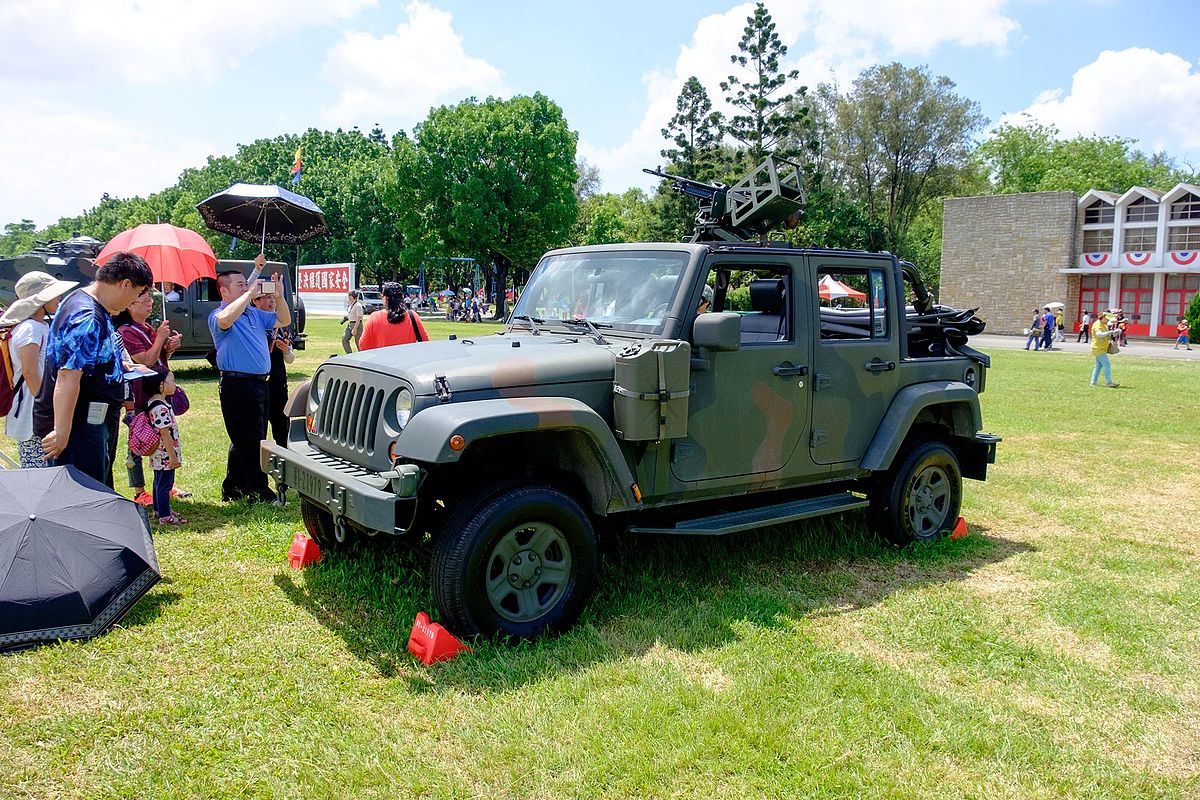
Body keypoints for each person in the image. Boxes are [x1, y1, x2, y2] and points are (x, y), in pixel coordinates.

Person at [34, 251, 153, 486]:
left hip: (94, 422)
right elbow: (68, 376)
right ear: (125, 284)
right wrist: (62, 431)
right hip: (80, 426)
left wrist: (117, 365)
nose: (133, 301)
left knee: (98, 489)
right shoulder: (86, 316)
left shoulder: (92, 306)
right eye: (137, 294)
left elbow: (93, 357)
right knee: (83, 495)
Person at [208, 253, 290, 503]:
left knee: (247, 437)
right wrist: (250, 292)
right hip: (237, 384)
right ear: (224, 291)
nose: (248, 287)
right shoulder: (219, 315)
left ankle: (233, 486)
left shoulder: (253, 314)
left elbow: (284, 319)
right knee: (250, 439)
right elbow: (225, 319)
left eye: (248, 283)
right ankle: (258, 489)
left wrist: (279, 296)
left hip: (258, 384)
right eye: (241, 285)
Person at [115, 288, 187, 505]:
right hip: (139, 396)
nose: (149, 302)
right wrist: (161, 339)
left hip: (157, 394)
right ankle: (140, 491)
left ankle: (164, 483)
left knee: (161, 440)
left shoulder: (147, 328)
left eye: (149, 298)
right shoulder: (126, 331)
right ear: (129, 305)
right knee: (139, 440)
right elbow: (144, 361)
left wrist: (168, 347)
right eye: (143, 299)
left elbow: (158, 358)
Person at [2, 271, 78, 468]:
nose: (59, 297)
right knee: (37, 471)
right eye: (54, 294)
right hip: (32, 411)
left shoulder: (39, 326)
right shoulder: (31, 328)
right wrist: (46, 406)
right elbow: (29, 371)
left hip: (36, 409)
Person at [140, 369, 185, 525]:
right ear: (161, 386)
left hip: (159, 453)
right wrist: (172, 456)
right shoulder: (160, 408)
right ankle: (165, 517)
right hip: (165, 453)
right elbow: (165, 434)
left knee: (159, 482)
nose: (174, 384)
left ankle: (160, 510)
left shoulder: (155, 404)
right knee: (165, 484)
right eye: (171, 381)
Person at [252, 291, 294, 448]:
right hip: (257, 383)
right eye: (267, 297)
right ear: (255, 301)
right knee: (257, 431)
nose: (272, 301)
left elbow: (290, 359)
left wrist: (285, 350)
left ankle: (284, 463)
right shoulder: (252, 323)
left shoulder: (282, 324)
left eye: (273, 297)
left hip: (278, 383)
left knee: (282, 428)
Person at [358, 281, 429, 351]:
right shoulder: (412, 316)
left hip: (381, 360)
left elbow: (363, 346)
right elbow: (425, 342)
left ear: (385, 298)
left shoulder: (374, 318)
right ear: (402, 297)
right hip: (408, 360)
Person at [1090, 312, 1120, 388]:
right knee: (1106, 364)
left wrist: (1114, 333)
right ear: (1102, 317)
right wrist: (1110, 332)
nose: (1108, 321)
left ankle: (1093, 382)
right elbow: (1099, 334)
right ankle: (1109, 382)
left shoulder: (1104, 325)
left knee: (1098, 366)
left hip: (1102, 348)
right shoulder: (1097, 324)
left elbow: (1107, 336)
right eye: (1107, 319)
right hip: (1098, 348)